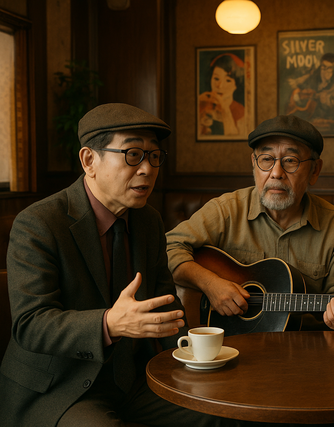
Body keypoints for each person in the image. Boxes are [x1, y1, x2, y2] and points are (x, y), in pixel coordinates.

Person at [0, 104, 242, 426]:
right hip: (60, 387)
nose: (147, 169)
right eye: (133, 155)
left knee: (224, 409)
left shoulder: (149, 221)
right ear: (89, 160)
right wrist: (109, 323)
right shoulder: (39, 223)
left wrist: (198, 357)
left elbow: (166, 306)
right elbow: (30, 325)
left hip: (134, 379)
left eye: (154, 156)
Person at [166, 114, 334, 332]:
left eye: (291, 161)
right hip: (230, 342)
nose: (276, 173)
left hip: (305, 344)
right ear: (254, 164)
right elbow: (167, 248)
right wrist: (210, 284)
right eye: (266, 159)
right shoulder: (226, 210)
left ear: (314, 171)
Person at [286, 52, 334, 135]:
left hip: (324, 126)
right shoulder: (311, 78)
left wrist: (328, 103)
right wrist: (298, 96)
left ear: (333, 68)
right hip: (305, 125)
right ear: (321, 66)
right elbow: (296, 92)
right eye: (324, 67)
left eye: (329, 68)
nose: (326, 71)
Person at [199, 53, 246, 137]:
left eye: (228, 80)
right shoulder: (201, 103)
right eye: (216, 79)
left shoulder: (241, 111)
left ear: (236, 85)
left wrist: (224, 108)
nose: (219, 86)